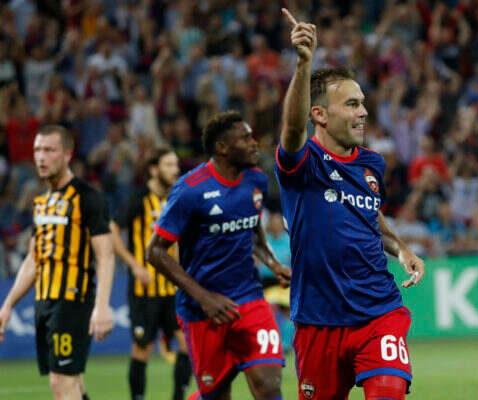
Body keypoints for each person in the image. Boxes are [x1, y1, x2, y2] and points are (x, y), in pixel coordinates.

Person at [275, 9, 425, 400]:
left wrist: (401, 248)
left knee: (389, 391)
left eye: (362, 103)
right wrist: (304, 64)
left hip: (379, 311)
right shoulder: (302, 165)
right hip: (318, 320)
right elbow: (292, 129)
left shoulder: (372, 164)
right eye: (352, 104)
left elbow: (368, 215)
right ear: (320, 114)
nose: (363, 112)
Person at [146, 111, 291, 400]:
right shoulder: (190, 190)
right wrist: (204, 298)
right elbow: (155, 252)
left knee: (269, 385)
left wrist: (273, 263)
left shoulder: (256, 180)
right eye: (245, 138)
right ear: (222, 147)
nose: (254, 143)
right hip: (201, 310)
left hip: (249, 299)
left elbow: (252, 229)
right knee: (216, 394)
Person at [0, 125, 114, 400]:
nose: (41, 157)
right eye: (38, 150)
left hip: (73, 300)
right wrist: (8, 303)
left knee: (61, 384)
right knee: (72, 383)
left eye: (49, 150)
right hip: (45, 302)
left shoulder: (87, 196)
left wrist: (102, 306)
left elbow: (105, 254)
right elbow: (33, 259)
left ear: (67, 154)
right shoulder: (42, 202)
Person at [109, 146, 192, 400]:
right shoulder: (138, 199)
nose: (175, 170)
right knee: (142, 349)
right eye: (169, 165)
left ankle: (178, 397)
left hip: (173, 288)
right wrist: (134, 265)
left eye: (176, 165)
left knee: (186, 343)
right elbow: (112, 230)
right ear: (154, 170)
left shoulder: (177, 199)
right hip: (144, 290)